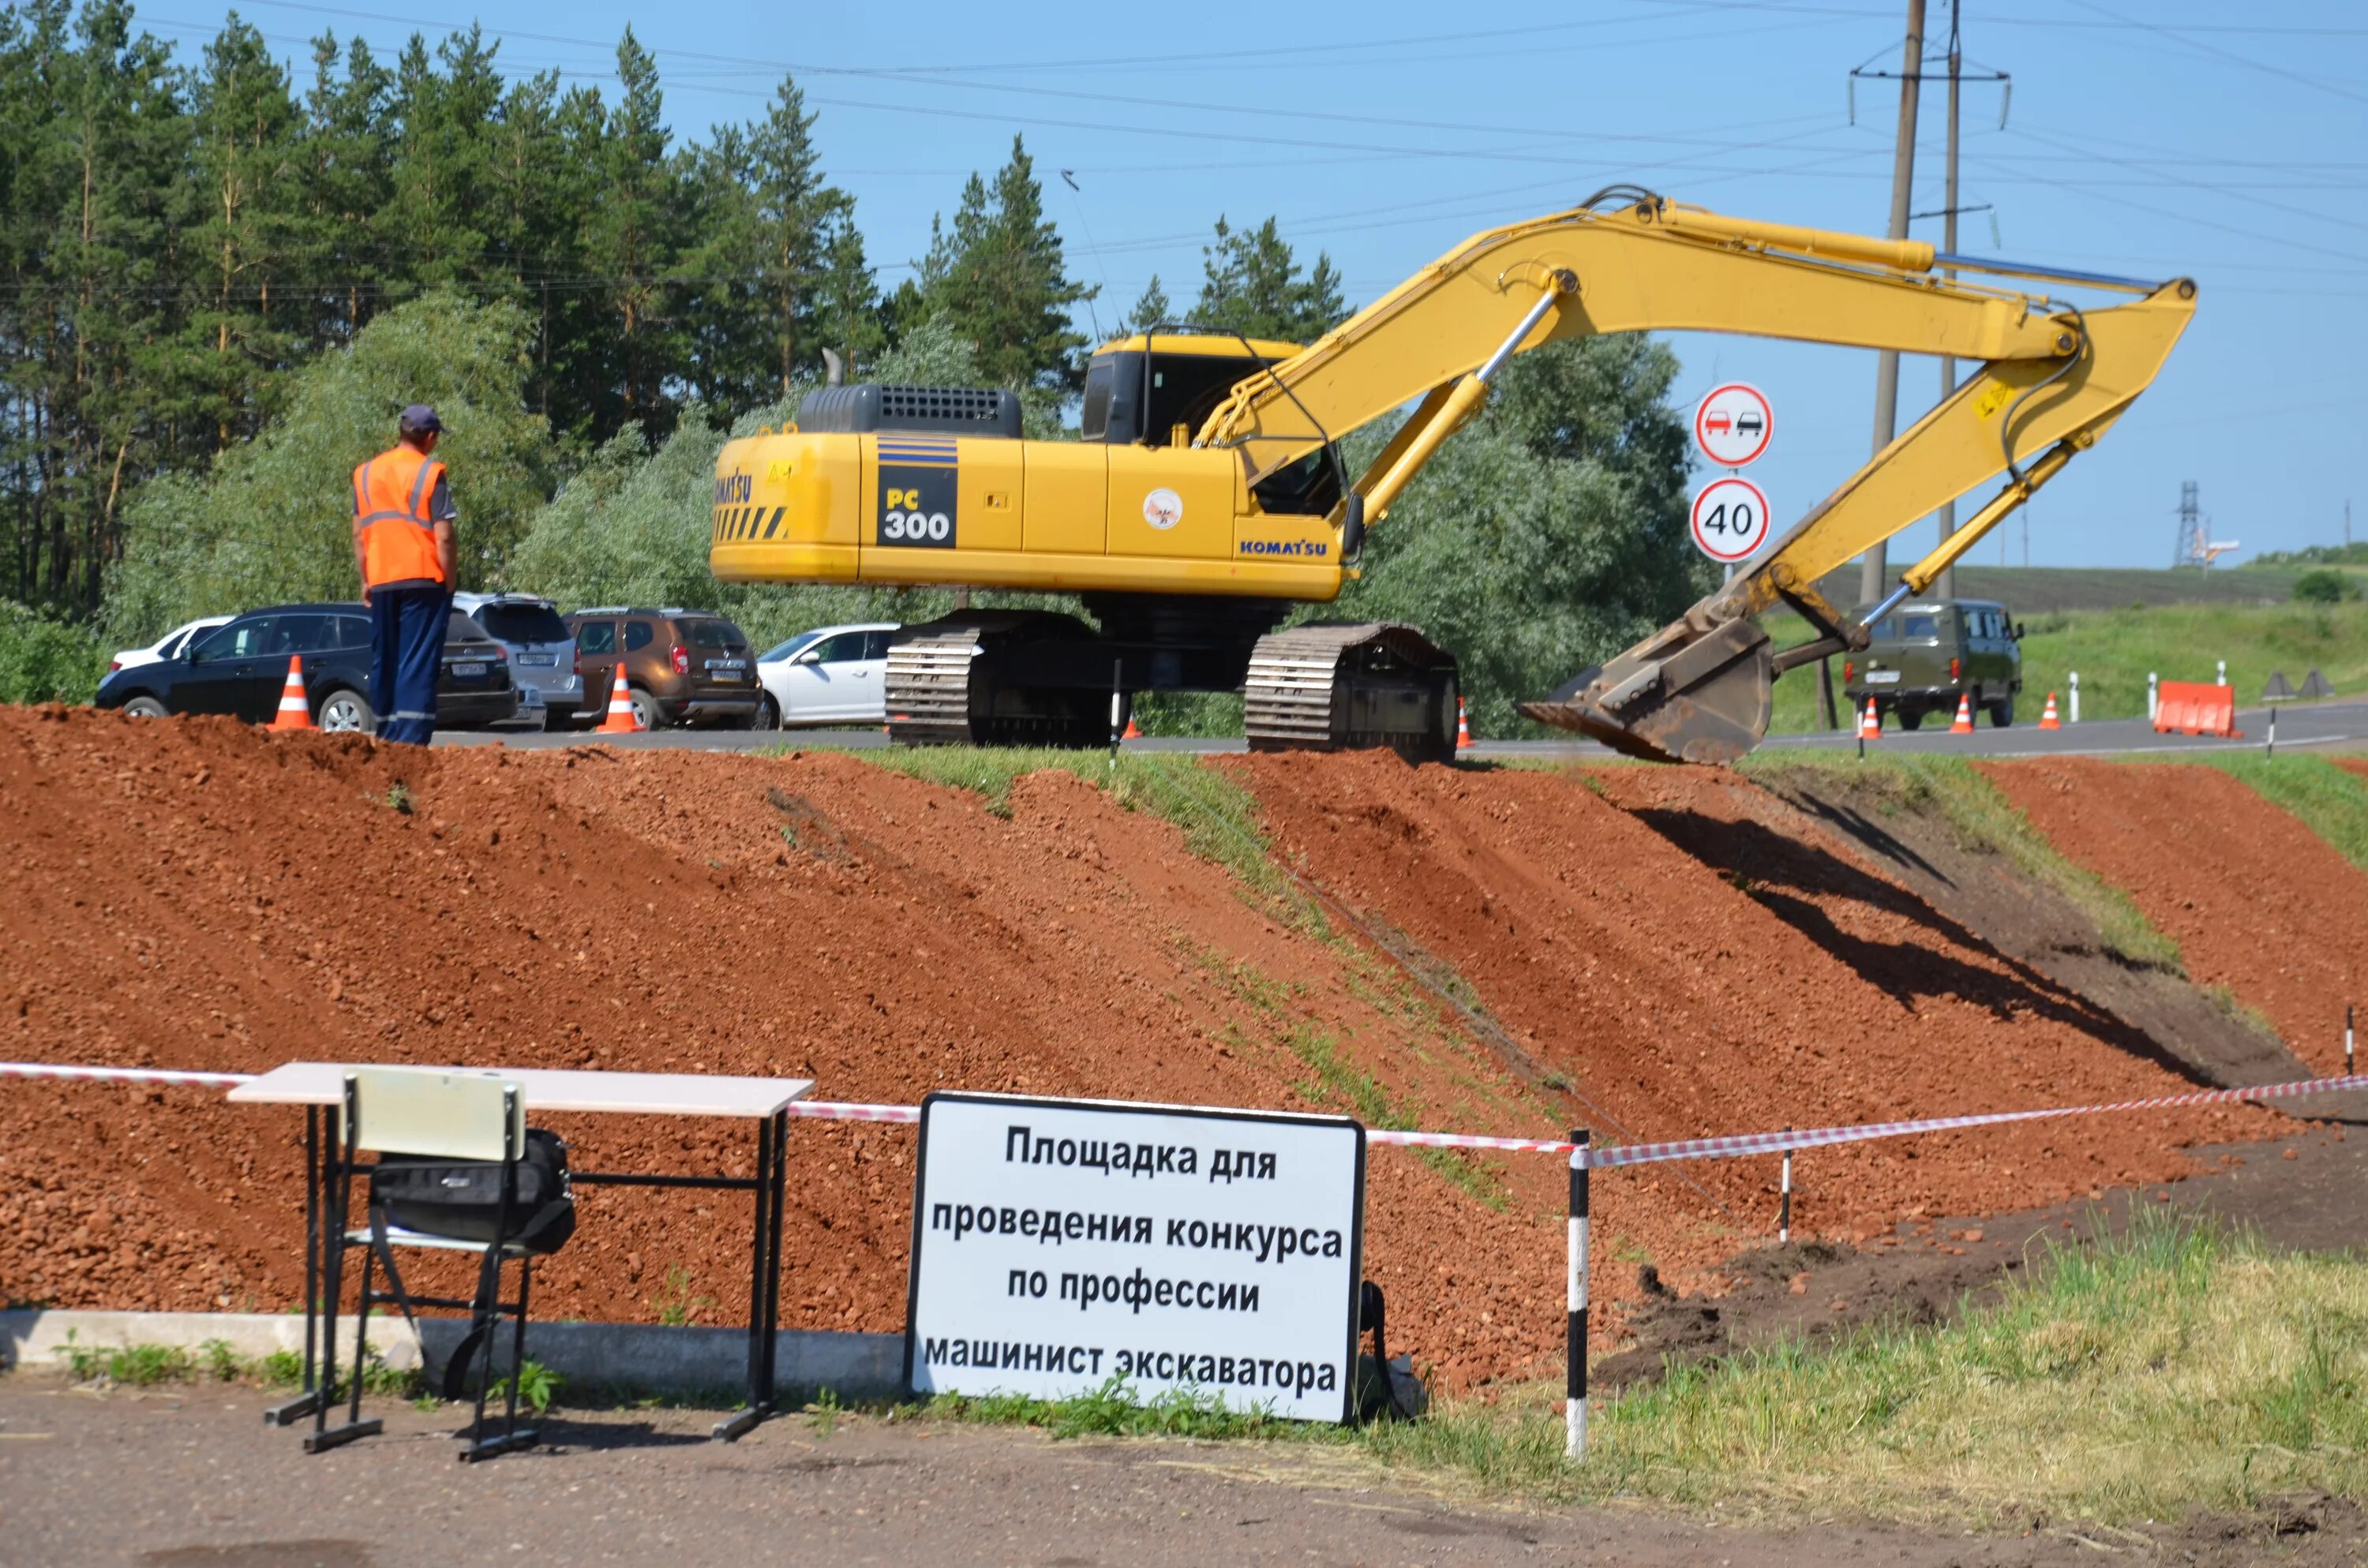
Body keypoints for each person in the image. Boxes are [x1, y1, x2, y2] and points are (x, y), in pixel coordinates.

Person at [350, 404, 458, 745]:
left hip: (382, 579)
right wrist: (449, 580)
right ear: (429, 437)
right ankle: (411, 744)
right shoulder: (430, 473)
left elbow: (358, 534)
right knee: (416, 661)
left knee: (386, 658)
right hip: (424, 579)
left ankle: (386, 735)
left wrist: (366, 579)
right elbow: (444, 536)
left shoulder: (365, 474)